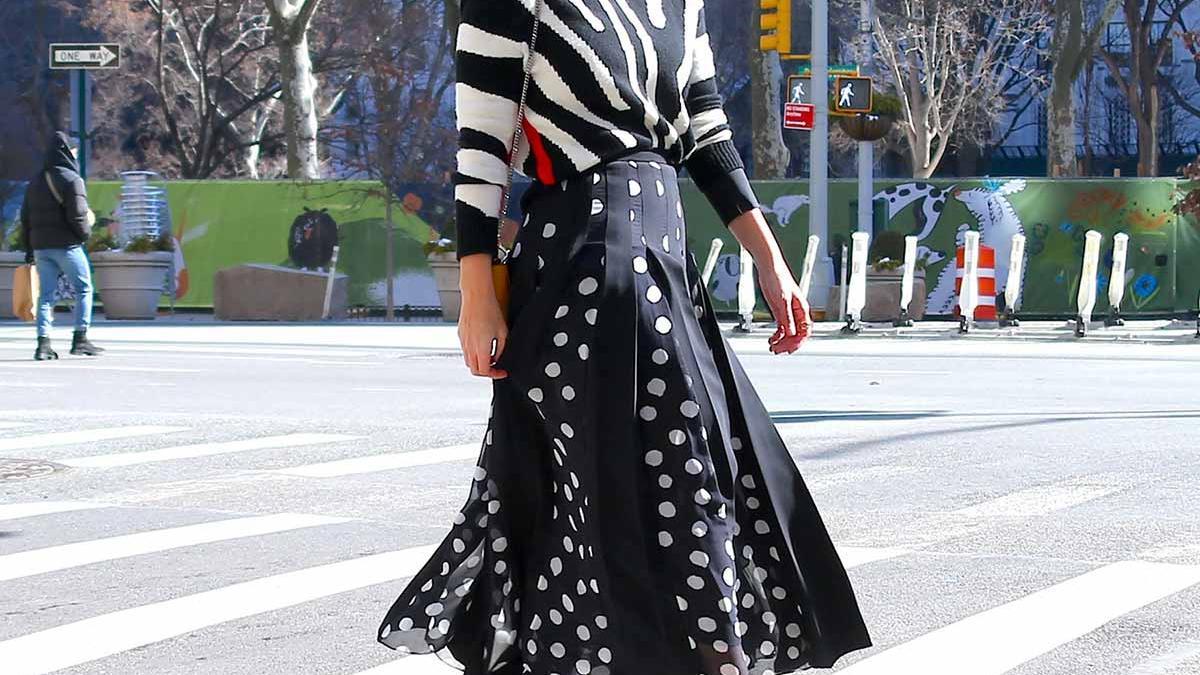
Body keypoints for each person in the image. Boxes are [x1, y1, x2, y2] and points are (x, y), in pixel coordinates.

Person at [378, 2, 871, 673]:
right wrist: (474, 296)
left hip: (664, 263)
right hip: (580, 269)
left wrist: (768, 256)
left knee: (692, 487)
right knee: (635, 500)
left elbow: (705, 128)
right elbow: (482, 148)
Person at [19, 132, 103, 360]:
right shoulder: (72, 179)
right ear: (67, 152)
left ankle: (43, 345)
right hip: (67, 246)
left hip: (41, 248)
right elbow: (78, 216)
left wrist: (29, 249)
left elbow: (25, 218)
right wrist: (85, 235)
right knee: (84, 288)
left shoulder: (35, 182)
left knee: (45, 295)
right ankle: (80, 339)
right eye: (74, 151)